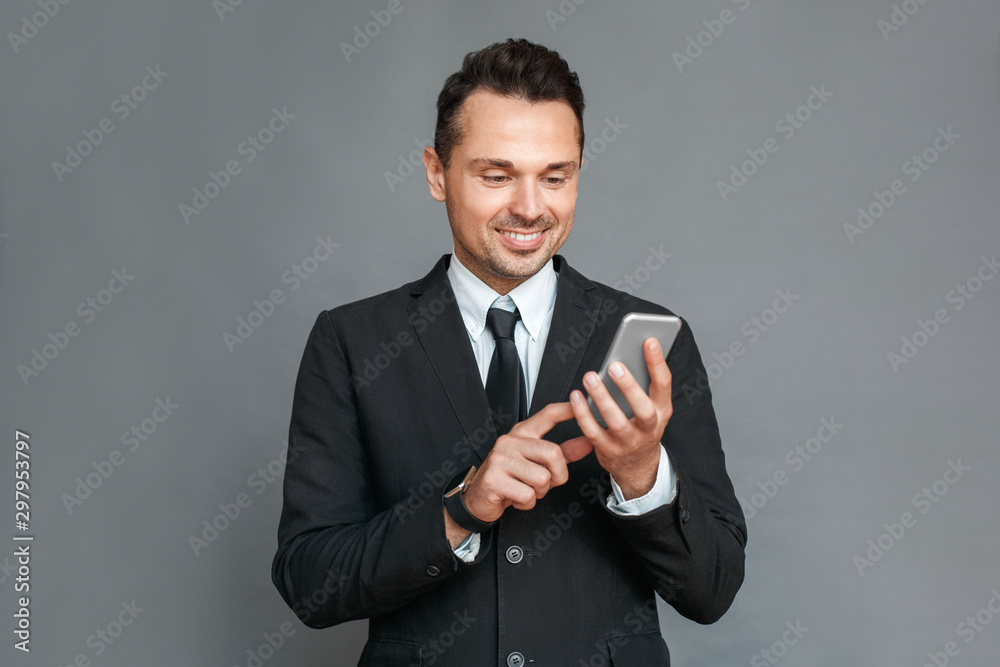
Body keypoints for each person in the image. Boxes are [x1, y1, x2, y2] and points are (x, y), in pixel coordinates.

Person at [271, 37, 746, 666]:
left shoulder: (653, 340)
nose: (529, 207)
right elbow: (310, 582)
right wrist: (461, 509)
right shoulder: (352, 341)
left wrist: (640, 474)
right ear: (437, 173)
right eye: (497, 176)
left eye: (556, 177)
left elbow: (711, 591)